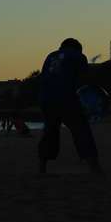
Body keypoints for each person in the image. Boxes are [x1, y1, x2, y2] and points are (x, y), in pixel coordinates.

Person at [39, 38, 103, 175]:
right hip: (67, 98)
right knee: (81, 131)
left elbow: (44, 79)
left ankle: (41, 168)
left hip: (46, 100)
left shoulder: (50, 56)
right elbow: (84, 80)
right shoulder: (78, 56)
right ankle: (94, 167)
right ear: (77, 48)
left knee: (49, 133)